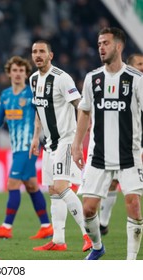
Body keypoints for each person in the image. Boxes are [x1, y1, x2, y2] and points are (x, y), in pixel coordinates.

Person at [72, 27, 143, 260]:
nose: (100, 47)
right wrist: (76, 144)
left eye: (105, 43)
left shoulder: (136, 79)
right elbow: (84, 112)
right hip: (98, 155)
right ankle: (97, 247)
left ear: (118, 46)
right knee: (88, 209)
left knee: (133, 204)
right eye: (99, 43)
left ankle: (131, 263)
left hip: (129, 155)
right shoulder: (93, 79)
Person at [29, 40, 92, 252]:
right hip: (49, 144)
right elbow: (39, 110)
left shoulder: (62, 78)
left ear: (50, 55)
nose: (37, 55)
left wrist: (79, 141)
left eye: (41, 52)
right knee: (53, 191)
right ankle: (58, 241)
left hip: (66, 140)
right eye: (34, 52)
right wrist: (36, 137)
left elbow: (81, 106)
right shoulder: (33, 79)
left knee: (62, 186)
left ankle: (89, 235)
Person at [0, 56, 53, 240]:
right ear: (9, 73)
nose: (18, 74)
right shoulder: (6, 95)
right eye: (14, 71)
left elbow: (43, 114)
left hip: (29, 146)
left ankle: (6, 227)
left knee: (12, 184)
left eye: (21, 71)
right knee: (32, 186)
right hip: (17, 147)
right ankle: (47, 226)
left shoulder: (31, 94)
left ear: (26, 74)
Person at [98, 53, 143, 236]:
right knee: (113, 182)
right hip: (125, 143)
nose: (142, 67)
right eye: (140, 64)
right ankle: (103, 222)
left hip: (136, 143)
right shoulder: (123, 85)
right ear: (130, 67)